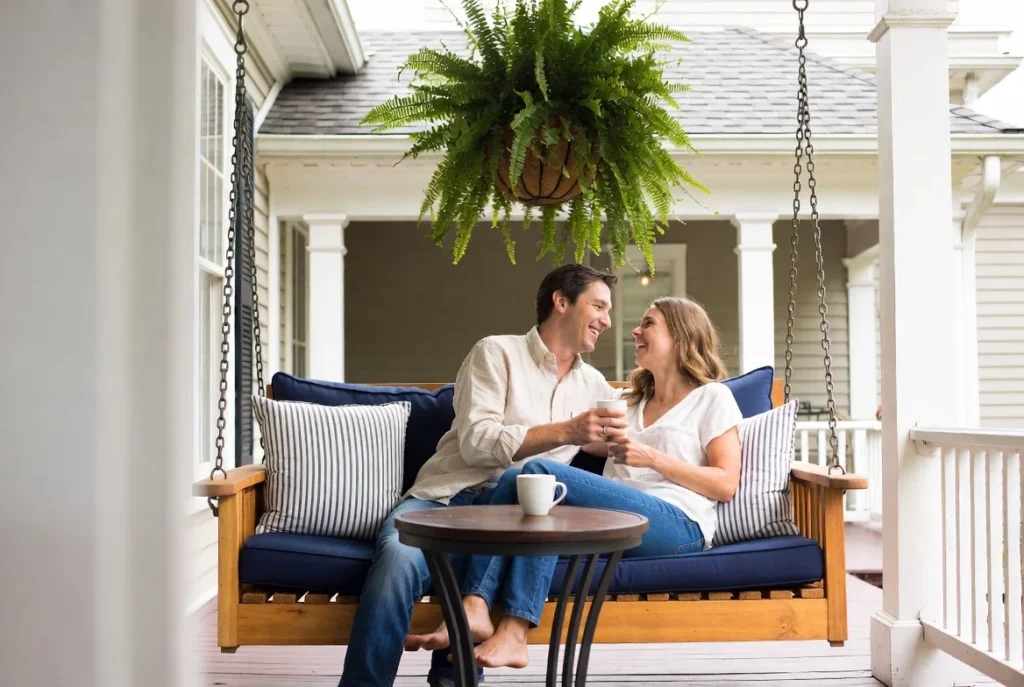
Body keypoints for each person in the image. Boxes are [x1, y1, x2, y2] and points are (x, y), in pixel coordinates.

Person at [404, 296, 743, 669]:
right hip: (614, 524)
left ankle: (505, 626)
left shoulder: (712, 397)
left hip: (679, 524)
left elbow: (725, 483)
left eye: (648, 323)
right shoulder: (627, 403)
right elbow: (570, 430)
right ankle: (471, 620)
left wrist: (651, 458)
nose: (634, 330)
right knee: (523, 487)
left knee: (538, 475)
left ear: (680, 337)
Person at [339, 263, 628, 687]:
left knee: (481, 571)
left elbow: (612, 444)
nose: (606, 320)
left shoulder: (595, 385)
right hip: (446, 500)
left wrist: (616, 443)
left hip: (515, 516)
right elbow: (478, 442)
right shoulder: (496, 352)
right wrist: (567, 430)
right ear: (561, 301)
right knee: (398, 560)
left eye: (608, 310)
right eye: (598, 306)